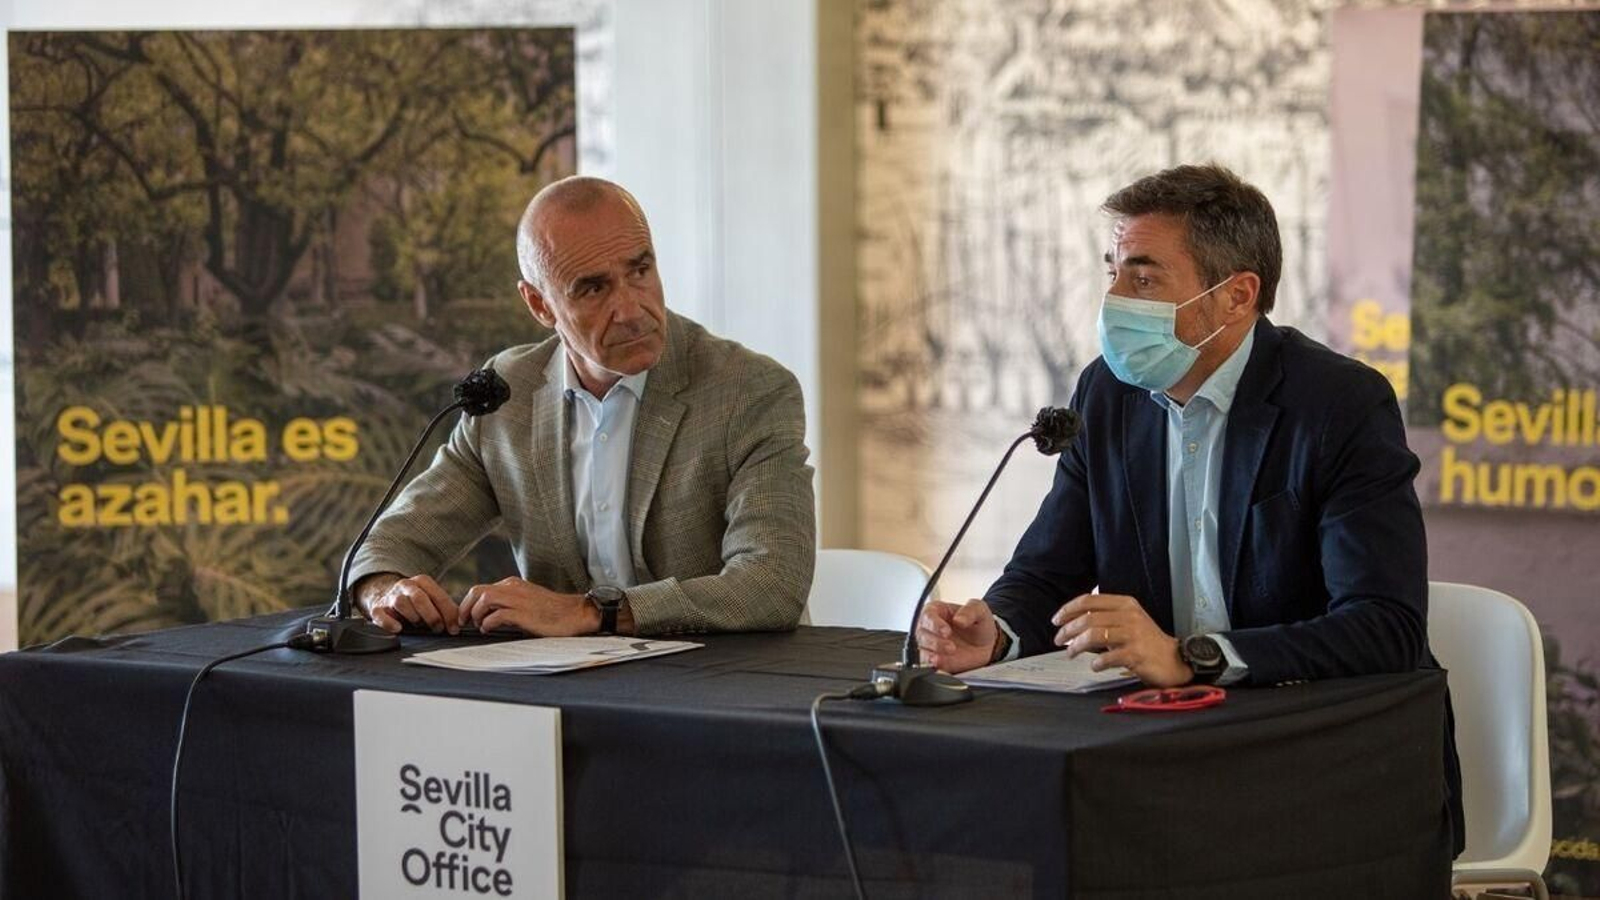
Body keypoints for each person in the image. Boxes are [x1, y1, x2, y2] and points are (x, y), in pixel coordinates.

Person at [915, 163, 1462, 849]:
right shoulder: (1106, 395)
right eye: (1111, 271)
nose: (1113, 298)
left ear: (1236, 296)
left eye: (1143, 277)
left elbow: (1385, 626)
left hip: (1325, 761)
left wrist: (1195, 656)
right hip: (1165, 747)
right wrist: (996, 633)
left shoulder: (1339, 406)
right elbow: (1047, 572)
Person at [350, 176, 815, 638]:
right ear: (539, 305)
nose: (631, 310)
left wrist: (594, 612)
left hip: (722, 688)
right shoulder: (508, 396)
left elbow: (771, 583)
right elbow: (390, 545)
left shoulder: (750, 391)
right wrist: (384, 590)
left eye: (640, 270)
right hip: (564, 696)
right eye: (593, 289)